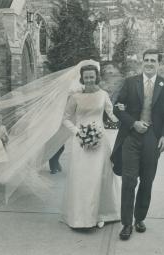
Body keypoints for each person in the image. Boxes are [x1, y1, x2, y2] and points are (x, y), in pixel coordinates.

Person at [111, 49, 164, 240]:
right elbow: (117, 107)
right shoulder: (131, 82)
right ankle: (126, 223)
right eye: (146, 60)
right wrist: (133, 123)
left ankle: (139, 218)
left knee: (147, 180)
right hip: (131, 136)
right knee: (129, 180)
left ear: (158, 64)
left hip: (152, 138)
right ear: (142, 62)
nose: (149, 63)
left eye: (153, 60)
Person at [62, 63, 121, 229]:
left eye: (92, 76)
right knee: (82, 178)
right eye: (86, 77)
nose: (89, 79)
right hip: (80, 143)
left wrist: (125, 117)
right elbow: (66, 118)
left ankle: (102, 214)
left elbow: (112, 114)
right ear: (82, 78)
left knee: (100, 176)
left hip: (100, 141)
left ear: (96, 77)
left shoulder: (103, 95)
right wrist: (78, 132)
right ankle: (81, 218)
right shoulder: (75, 97)